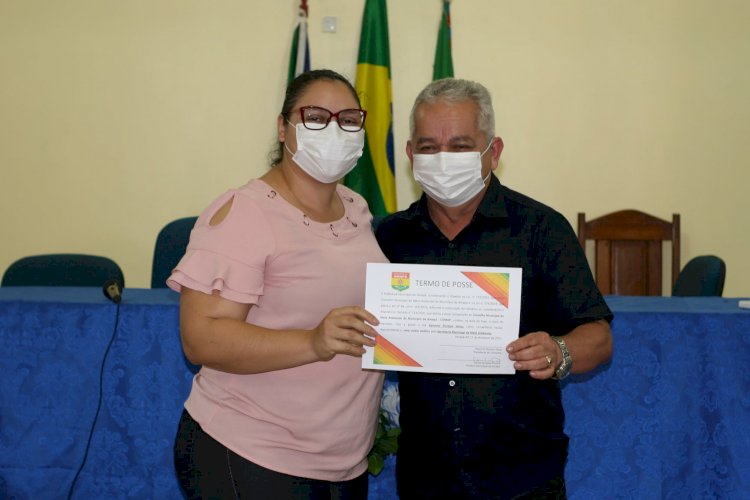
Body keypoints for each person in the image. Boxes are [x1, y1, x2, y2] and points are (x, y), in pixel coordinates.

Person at [375, 78, 613, 499]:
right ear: (411, 154)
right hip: (424, 478)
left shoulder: (541, 229)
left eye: (462, 145)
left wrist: (559, 352)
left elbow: (598, 336)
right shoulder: (390, 237)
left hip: (522, 476)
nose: (443, 159)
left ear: (494, 152)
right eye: (428, 147)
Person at [168, 69, 387, 500]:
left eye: (348, 119)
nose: (334, 129)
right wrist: (313, 342)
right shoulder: (243, 213)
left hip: (341, 461)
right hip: (252, 454)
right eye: (316, 117)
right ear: (282, 126)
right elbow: (201, 338)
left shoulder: (355, 207)